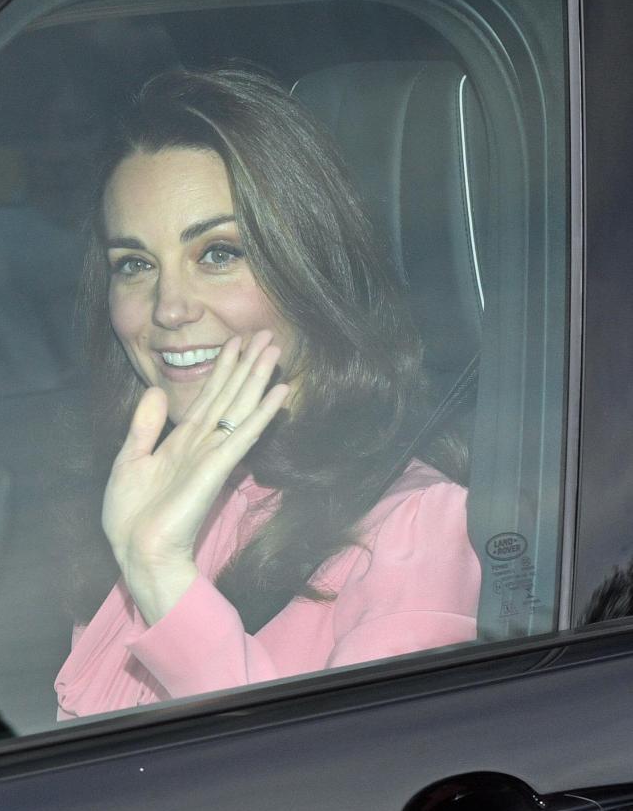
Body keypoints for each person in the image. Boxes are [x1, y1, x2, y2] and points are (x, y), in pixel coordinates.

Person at [55, 67, 481, 719]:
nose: (168, 308)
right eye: (135, 265)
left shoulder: (418, 529)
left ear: (311, 269)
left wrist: (160, 571)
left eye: (218, 253)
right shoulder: (155, 496)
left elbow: (347, 796)